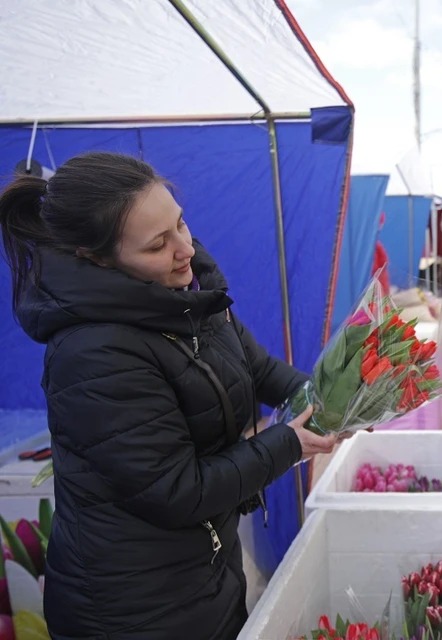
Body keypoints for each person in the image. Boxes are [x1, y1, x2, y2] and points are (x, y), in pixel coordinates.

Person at [0, 152, 348, 639]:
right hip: (133, 608)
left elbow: (258, 367)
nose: (184, 248)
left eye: (181, 224)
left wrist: (336, 401)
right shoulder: (93, 353)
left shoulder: (189, 292)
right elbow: (176, 490)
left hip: (203, 570)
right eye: (158, 244)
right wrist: (286, 443)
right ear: (98, 258)